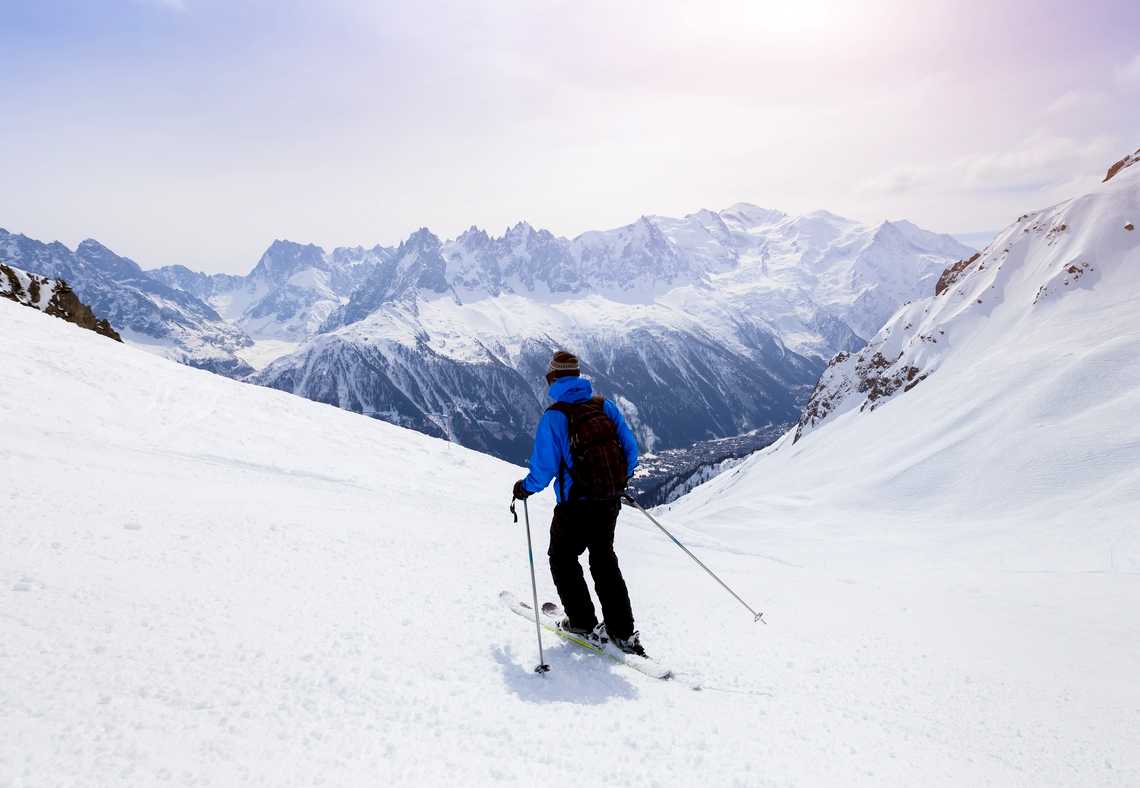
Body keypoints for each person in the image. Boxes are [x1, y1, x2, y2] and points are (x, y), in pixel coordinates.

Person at [511, 350, 645, 656]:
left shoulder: (555, 416)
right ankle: (622, 632)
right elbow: (631, 450)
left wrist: (524, 489)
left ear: (552, 378)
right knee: (604, 559)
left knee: (562, 557)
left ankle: (583, 622)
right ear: (577, 374)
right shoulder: (603, 405)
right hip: (609, 501)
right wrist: (616, 480)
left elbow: (544, 470)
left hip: (575, 505)